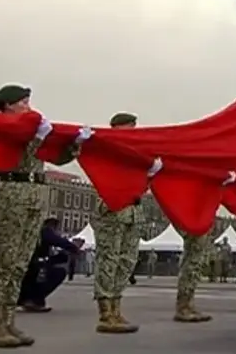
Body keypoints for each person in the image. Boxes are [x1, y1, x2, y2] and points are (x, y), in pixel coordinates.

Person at [0, 85, 52, 348]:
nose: (29, 107)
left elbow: (53, 154)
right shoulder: (2, 127)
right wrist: (37, 136)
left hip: (35, 194)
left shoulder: (32, 128)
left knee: (20, 262)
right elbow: (16, 152)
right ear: (8, 105)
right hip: (12, 193)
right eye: (23, 102)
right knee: (3, 262)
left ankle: (9, 320)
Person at [92, 112, 142, 334]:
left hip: (132, 209)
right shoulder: (106, 148)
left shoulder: (136, 151)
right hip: (112, 208)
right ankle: (105, 312)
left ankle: (116, 307)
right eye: (129, 127)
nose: (133, 130)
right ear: (115, 128)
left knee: (126, 261)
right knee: (109, 260)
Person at [18, 218, 80, 312]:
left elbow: (46, 257)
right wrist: (74, 248)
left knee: (44, 267)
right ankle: (34, 300)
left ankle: (25, 299)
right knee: (59, 273)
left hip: (26, 266)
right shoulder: (44, 231)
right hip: (33, 268)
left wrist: (62, 256)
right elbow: (56, 240)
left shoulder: (30, 231)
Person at [175, 230, 214, 322]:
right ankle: (183, 308)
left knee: (196, 265)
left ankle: (188, 305)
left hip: (200, 224)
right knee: (191, 264)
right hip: (195, 225)